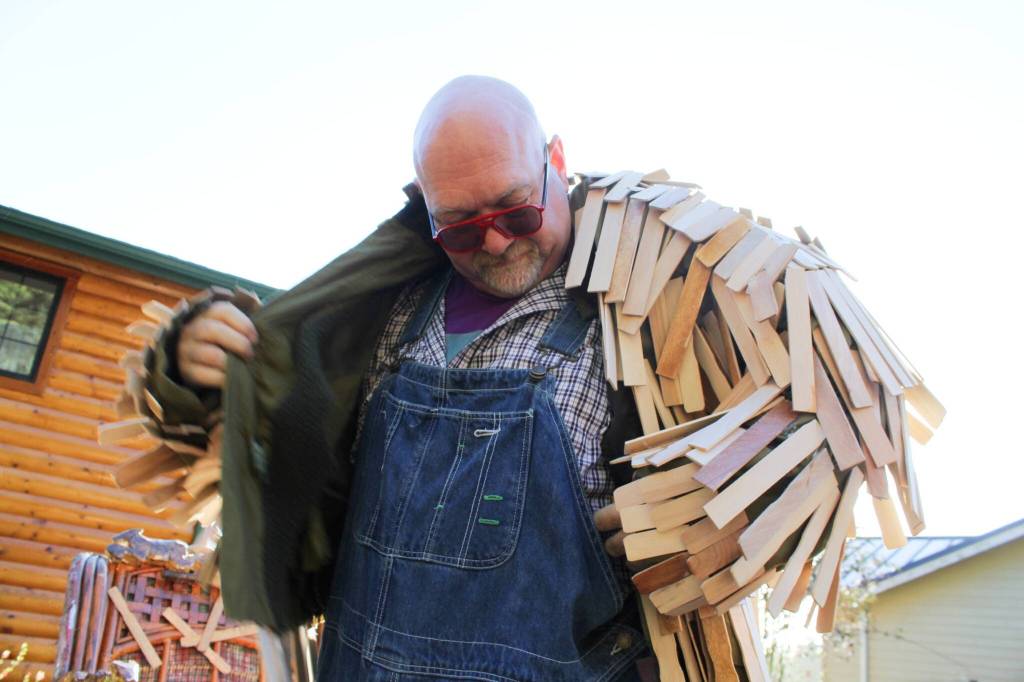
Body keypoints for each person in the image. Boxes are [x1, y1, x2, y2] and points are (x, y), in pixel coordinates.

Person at [174, 76, 646, 681]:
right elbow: (256, 453)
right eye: (461, 227)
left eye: (517, 208)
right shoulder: (386, 313)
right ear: (426, 204)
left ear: (555, 160)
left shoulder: (637, 316)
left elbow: (786, 457)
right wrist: (190, 364)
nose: (498, 242)